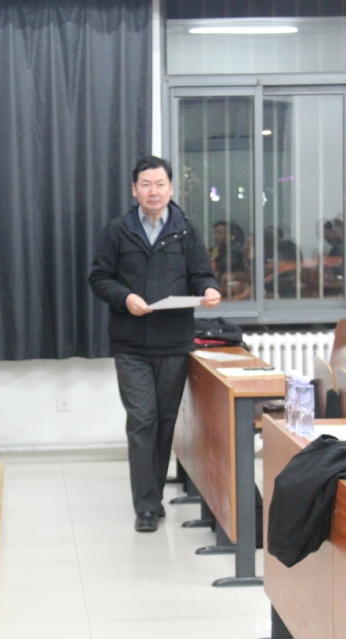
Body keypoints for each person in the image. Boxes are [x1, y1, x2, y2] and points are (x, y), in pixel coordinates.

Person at [89, 155, 221, 532]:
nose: (153, 191)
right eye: (145, 184)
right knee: (142, 420)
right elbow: (99, 278)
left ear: (171, 188)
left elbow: (201, 274)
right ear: (134, 190)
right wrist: (125, 297)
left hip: (173, 342)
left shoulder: (186, 230)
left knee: (164, 422)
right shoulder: (117, 230)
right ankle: (146, 506)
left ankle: (153, 495)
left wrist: (209, 290)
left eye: (160, 184)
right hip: (130, 344)